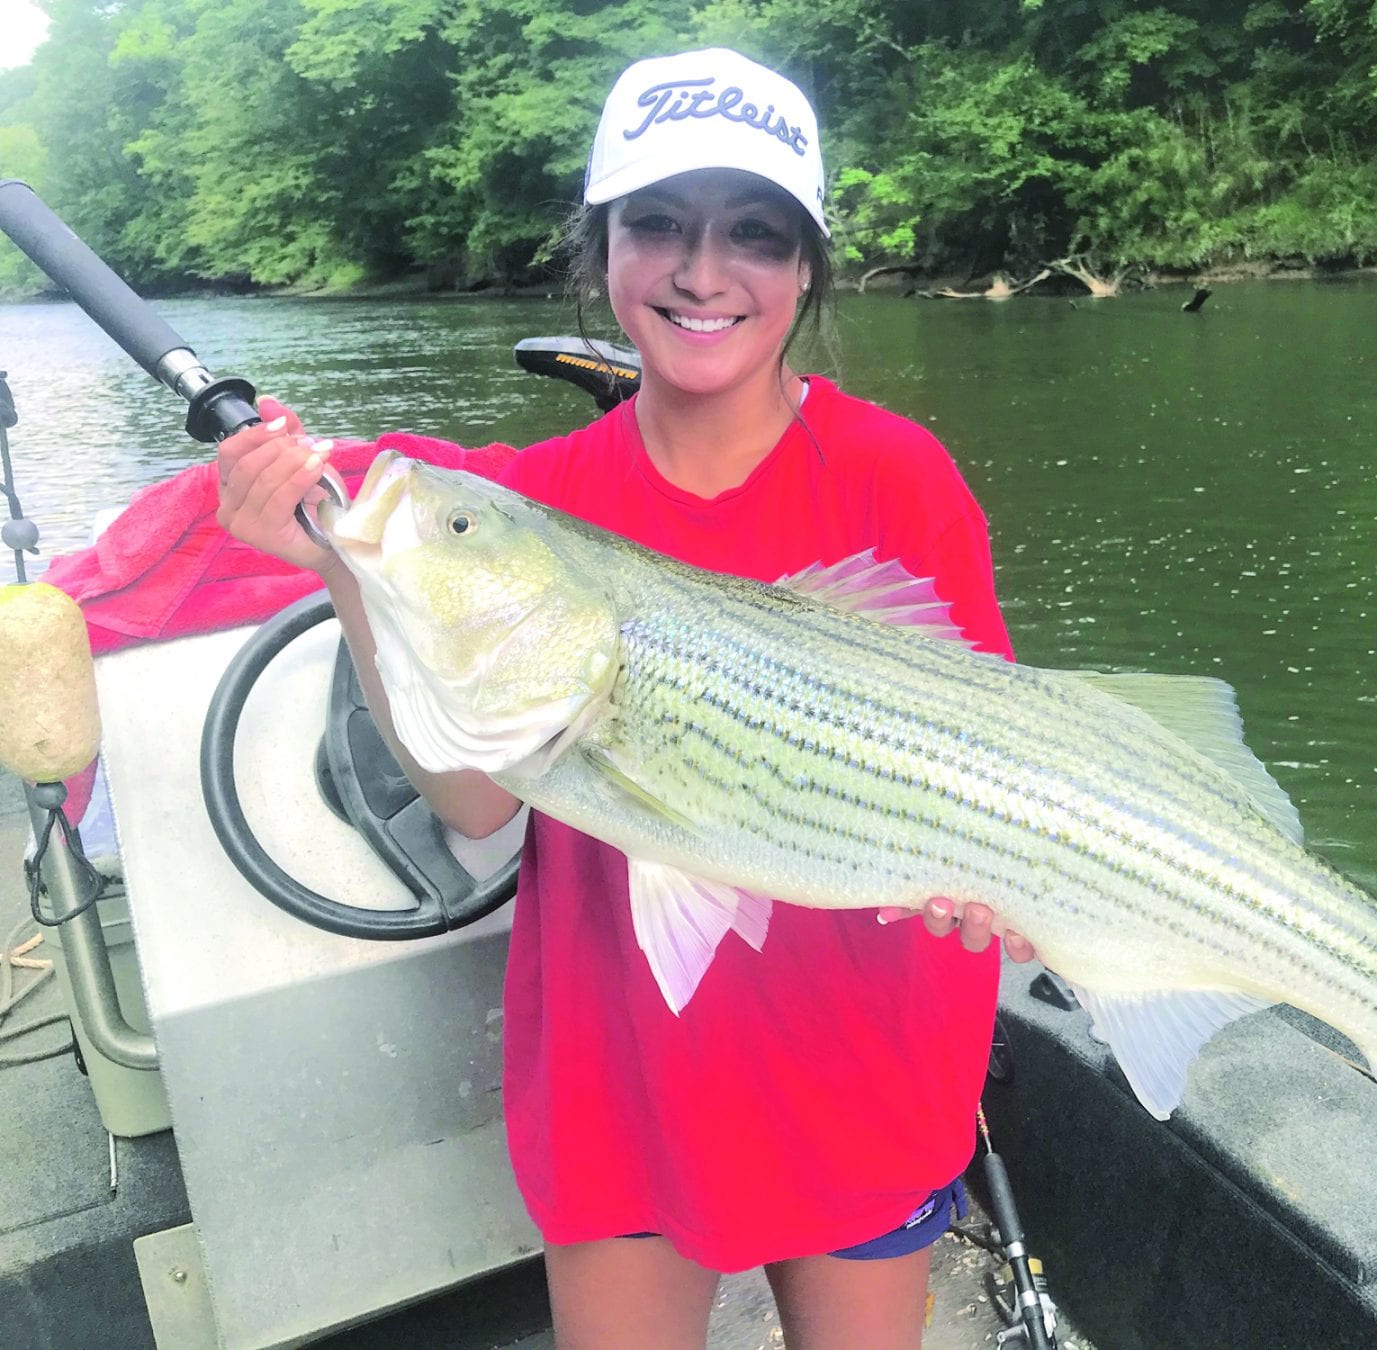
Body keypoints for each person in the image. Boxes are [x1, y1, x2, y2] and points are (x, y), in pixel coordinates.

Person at [215, 46, 1034, 1350]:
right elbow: (477, 801)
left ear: (810, 265)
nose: (703, 272)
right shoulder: (533, 507)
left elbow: (1001, 770)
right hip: (626, 1080)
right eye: (657, 224)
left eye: (755, 234)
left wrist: (1026, 895)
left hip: (866, 1060)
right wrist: (348, 568)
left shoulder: (901, 478)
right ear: (600, 249)